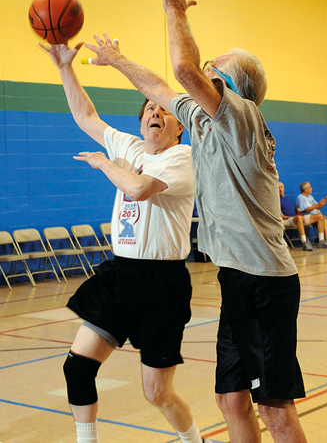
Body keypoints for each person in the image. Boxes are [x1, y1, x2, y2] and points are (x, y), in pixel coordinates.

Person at [79, 0, 308, 443]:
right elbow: (161, 87)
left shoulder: (241, 117)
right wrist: (116, 60)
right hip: (237, 278)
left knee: (275, 409)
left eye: (212, 70)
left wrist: (174, 8)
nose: (201, 73)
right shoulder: (205, 125)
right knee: (230, 400)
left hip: (266, 282)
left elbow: (181, 69)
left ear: (231, 87)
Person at [38, 42, 210, 443]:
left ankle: (194, 440)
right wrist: (65, 67)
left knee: (156, 393)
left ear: (179, 126)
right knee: (77, 367)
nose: (155, 111)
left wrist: (103, 163)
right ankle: (87, 440)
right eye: (149, 108)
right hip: (119, 273)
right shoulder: (130, 147)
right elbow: (86, 116)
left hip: (161, 282)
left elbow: (136, 189)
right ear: (140, 123)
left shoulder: (182, 157)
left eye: (164, 109)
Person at [279, 182, 327, 251]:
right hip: (287, 220)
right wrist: (293, 217)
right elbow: (280, 216)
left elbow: (318, 206)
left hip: (296, 218)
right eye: (278, 187)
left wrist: (325, 201)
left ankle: (321, 240)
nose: (280, 189)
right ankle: (305, 242)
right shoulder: (276, 200)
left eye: (281, 187)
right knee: (299, 217)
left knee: (320, 216)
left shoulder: (287, 198)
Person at [296, 182, 327, 248]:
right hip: (307, 217)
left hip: (317, 216)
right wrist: (316, 205)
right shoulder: (300, 197)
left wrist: (325, 201)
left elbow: (318, 207)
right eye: (310, 187)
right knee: (321, 217)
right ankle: (321, 241)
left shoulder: (310, 197)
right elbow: (306, 209)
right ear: (305, 189)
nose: (311, 188)